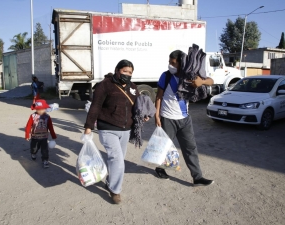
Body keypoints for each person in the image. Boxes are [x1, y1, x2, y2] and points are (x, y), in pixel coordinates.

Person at [84, 60, 147, 204]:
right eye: (125, 71)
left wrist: (143, 115)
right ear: (117, 70)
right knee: (117, 159)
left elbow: (138, 105)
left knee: (117, 159)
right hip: (107, 128)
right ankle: (115, 190)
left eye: (130, 72)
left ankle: (110, 180)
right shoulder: (105, 85)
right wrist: (88, 127)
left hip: (125, 130)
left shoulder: (132, 87)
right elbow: (95, 106)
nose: (127, 74)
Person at [154, 50, 214, 186]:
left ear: (182, 63)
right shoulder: (166, 76)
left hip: (185, 119)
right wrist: (157, 115)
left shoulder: (191, 76)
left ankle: (197, 177)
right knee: (165, 146)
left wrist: (201, 82)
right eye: (169, 62)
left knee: (190, 148)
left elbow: (211, 81)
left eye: (173, 63)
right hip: (167, 117)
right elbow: (159, 96)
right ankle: (160, 168)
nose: (170, 65)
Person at [25, 99, 57, 168]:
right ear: (35, 109)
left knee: (44, 149)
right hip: (34, 137)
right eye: (38, 109)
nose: (40, 111)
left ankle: (45, 160)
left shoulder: (47, 117)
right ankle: (33, 153)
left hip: (44, 137)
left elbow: (51, 127)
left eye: (42, 109)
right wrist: (27, 135)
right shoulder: (32, 116)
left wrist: (53, 135)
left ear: (45, 109)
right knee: (34, 148)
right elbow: (28, 126)